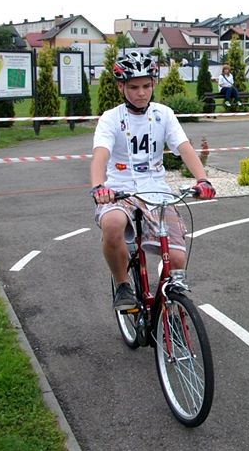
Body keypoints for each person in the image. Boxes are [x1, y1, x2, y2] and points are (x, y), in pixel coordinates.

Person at [90, 51, 216, 310]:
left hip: (156, 192)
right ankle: (123, 284)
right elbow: (100, 156)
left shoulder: (164, 114)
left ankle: (165, 307)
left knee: (178, 259)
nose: (141, 93)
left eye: (146, 86)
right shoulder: (110, 118)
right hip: (119, 190)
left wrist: (203, 180)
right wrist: (99, 186)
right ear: (120, 86)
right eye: (134, 87)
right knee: (112, 224)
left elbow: (184, 148)